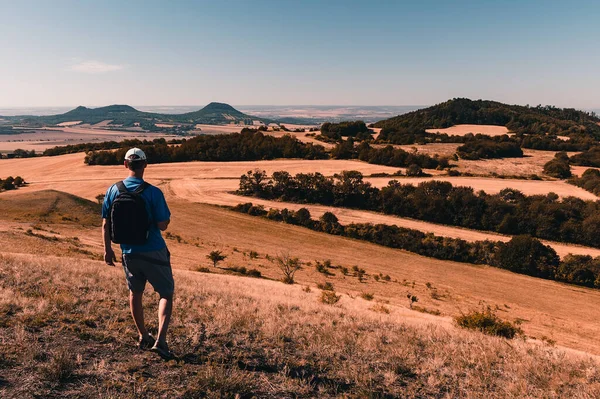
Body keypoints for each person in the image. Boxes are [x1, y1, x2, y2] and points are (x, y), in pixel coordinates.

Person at [102, 147, 174, 358]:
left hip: (128, 251)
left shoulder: (113, 190)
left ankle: (143, 335)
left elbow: (106, 223)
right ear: (145, 165)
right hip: (153, 250)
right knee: (166, 293)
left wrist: (108, 250)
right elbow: (162, 225)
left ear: (125, 164)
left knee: (135, 293)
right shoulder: (153, 192)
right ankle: (160, 341)